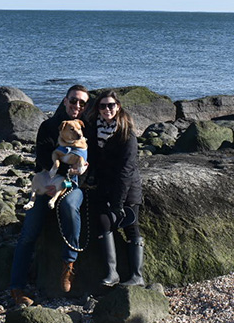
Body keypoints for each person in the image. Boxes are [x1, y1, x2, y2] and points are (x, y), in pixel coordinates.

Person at [9, 84, 90, 306]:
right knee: (28, 233)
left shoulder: (85, 128)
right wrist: (61, 174)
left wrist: (77, 174)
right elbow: (44, 158)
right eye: (73, 100)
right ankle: (16, 287)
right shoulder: (49, 126)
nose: (77, 105)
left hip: (73, 184)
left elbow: (90, 162)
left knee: (70, 207)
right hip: (47, 180)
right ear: (65, 101)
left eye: (82, 103)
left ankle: (68, 264)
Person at [85, 90, 145, 287]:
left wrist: (118, 204)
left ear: (118, 107)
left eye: (111, 105)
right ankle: (112, 273)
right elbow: (91, 158)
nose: (107, 109)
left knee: (130, 226)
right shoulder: (94, 130)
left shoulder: (128, 136)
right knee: (103, 223)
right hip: (104, 187)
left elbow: (126, 171)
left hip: (128, 190)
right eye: (102, 106)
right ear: (98, 109)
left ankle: (137, 276)